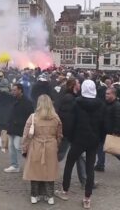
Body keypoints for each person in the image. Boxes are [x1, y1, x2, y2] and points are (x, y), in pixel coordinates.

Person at [55, 80, 106, 209]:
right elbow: (103, 125)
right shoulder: (101, 104)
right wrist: (100, 138)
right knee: (90, 168)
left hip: (78, 139)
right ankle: (87, 198)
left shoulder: (76, 103)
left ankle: (65, 191)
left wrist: (71, 137)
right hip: (93, 141)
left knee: (69, 164)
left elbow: (70, 122)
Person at [22, 95, 63, 205]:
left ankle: (34, 195)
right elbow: (59, 135)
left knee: (35, 170)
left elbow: (26, 135)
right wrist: (56, 145)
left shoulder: (33, 117)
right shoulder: (56, 118)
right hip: (51, 146)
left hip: (36, 145)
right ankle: (49, 196)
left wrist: (24, 148)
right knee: (49, 171)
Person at [4, 83, 34, 173]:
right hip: (12, 127)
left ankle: (31, 165)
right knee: (11, 147)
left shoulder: (27, 102)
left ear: (20, 90)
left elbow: (30, 116)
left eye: (14, 90)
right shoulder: (13, 99)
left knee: (19, 148)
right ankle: (14, 165)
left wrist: (21, 123)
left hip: (20, 128)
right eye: (12, 90)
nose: (12, 92)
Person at [104, 87, 120, 161]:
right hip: (107, 132)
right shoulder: (108, 104)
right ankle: (100, 164)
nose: (106, 95)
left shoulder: (117, 105)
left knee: (116, 151)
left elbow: (118, 119)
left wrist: (115, 132)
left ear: (113, 95)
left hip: (113, 133)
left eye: (108, 94)